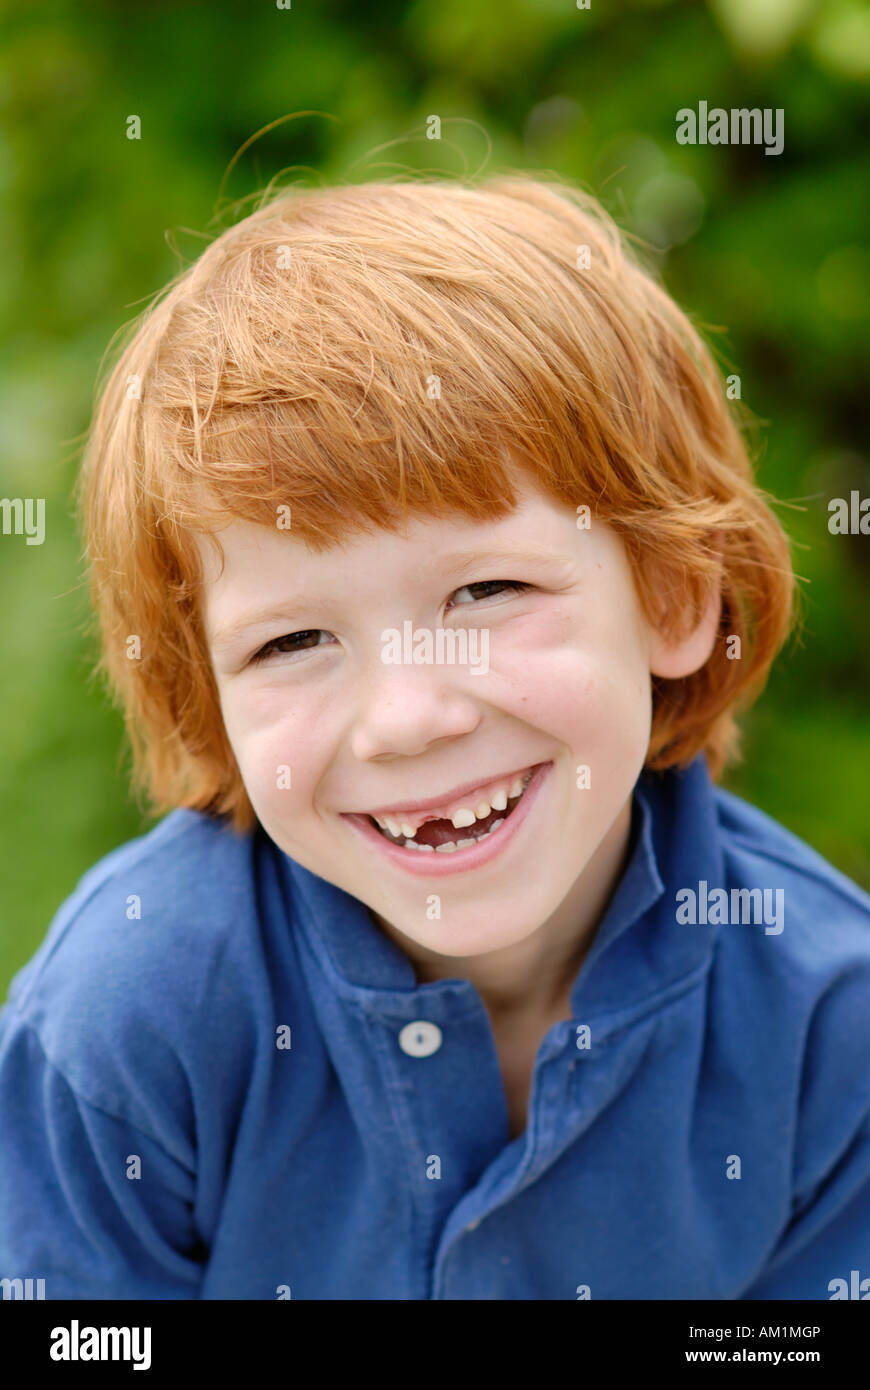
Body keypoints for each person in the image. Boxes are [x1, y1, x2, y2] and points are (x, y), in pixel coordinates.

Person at [1, 174, 868, 1300]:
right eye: (294, 640)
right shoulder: (133, 1017)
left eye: (487, 591)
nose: (409, 718)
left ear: (670, 597)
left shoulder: (826, 1026)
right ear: (208, 697)